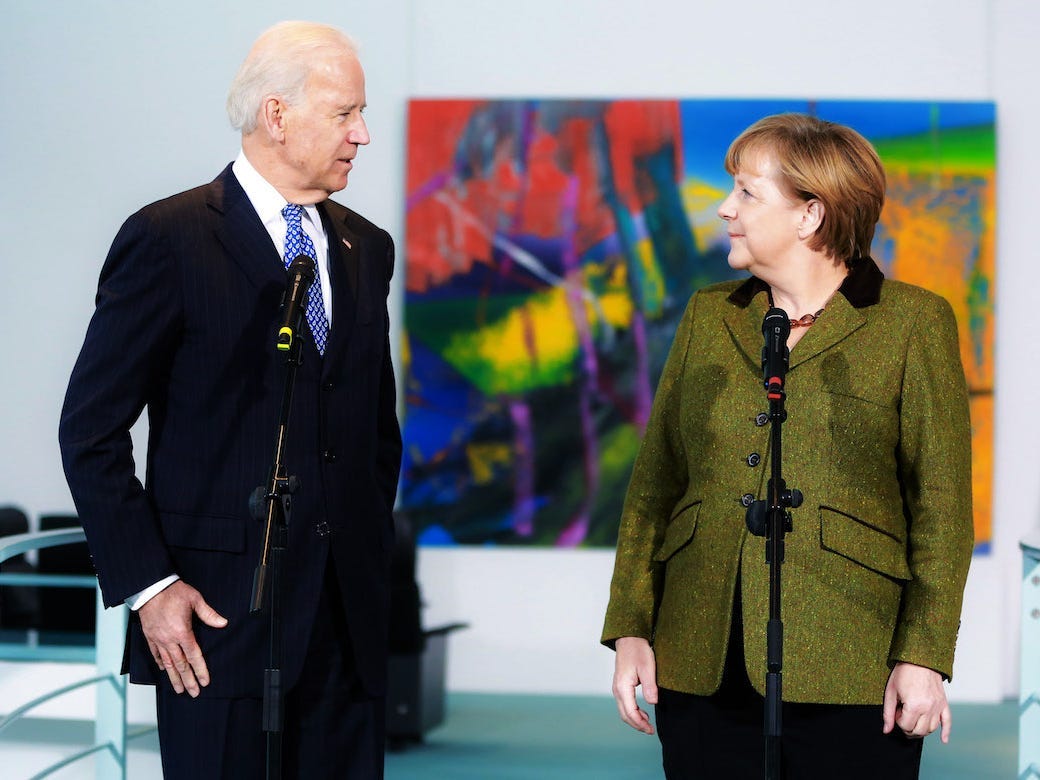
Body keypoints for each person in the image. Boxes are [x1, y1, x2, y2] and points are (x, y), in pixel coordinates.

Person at [58, 21, 401, 779]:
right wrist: (149, 586)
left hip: (348, 623)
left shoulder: (366, 246)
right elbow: (90, 431)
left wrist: (367, 548)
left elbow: (376, 431)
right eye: (345, 113)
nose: (363, 134)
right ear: (277, 115)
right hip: (214, 623)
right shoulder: (170, 237)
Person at [601, 113, 974, 779]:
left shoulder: (913, 322)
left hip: (851, 659)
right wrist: (631, 628)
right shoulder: (710, 315)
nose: (725, 209)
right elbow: (655, 485)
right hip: (701, 655)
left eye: (746, 193)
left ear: (810, 214)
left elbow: (941, 508)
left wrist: (924, 654)